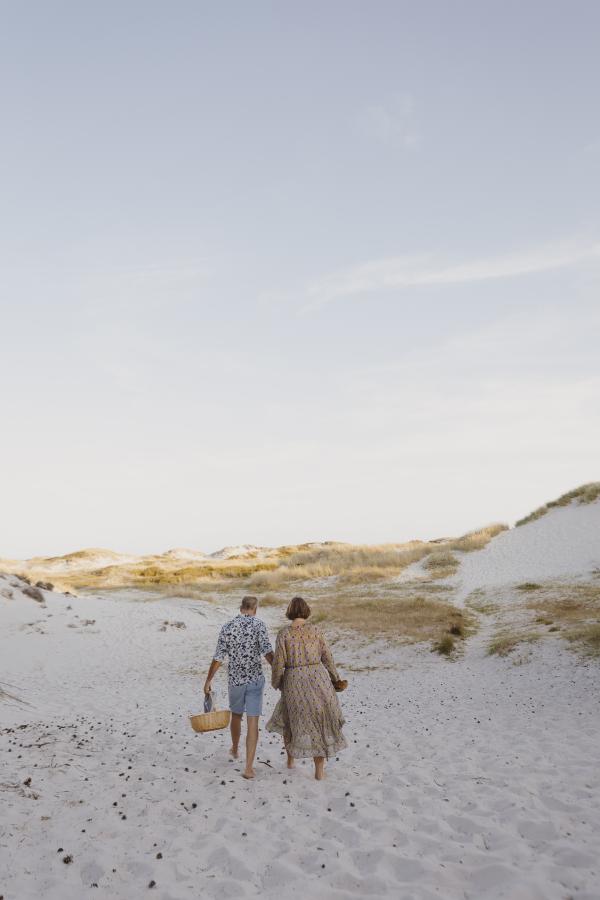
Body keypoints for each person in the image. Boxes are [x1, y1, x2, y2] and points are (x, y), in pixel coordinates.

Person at [266, 596, 346, 780]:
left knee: (290, 720)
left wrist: (277, 682)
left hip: (294, 680)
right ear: (306, 611)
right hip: (319, 679)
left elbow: (279, 663)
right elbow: (327, 657)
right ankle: (319, 771)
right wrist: (336, 679)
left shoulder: (284, 633)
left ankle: (290, 761)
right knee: (320, 723)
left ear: (290, 612)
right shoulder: (316, 630)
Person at [204, 595, 273, 779]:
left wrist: (208, 680)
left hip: (235, 681)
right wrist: (279, 672)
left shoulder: (227, 627)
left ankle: (235, 749)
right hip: (255, 680)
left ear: (241, 607)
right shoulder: (259, 625)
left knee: (236, 715)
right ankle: (248, 768)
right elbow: (267, 652)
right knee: (253, 721)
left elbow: (218, 657)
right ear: (255, 609)